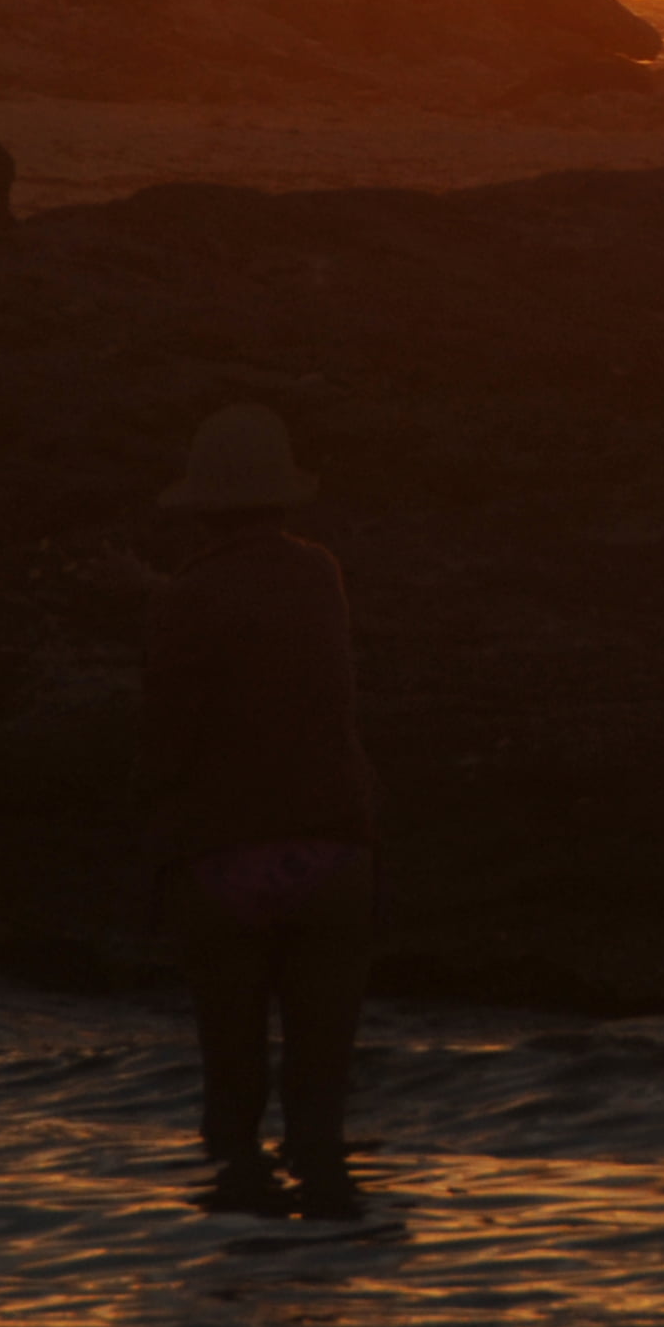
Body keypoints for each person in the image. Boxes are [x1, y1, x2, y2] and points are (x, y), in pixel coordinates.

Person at [140, 403, 380, 1222]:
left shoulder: (186, 596)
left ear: (202, 507)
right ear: (281, 499)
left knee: (232, 1105)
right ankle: (328, 1275)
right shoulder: (321, 573)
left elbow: (170, 741)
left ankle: (238, 1266)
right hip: (332, 857)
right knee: (320, 1113)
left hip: (223, 862)